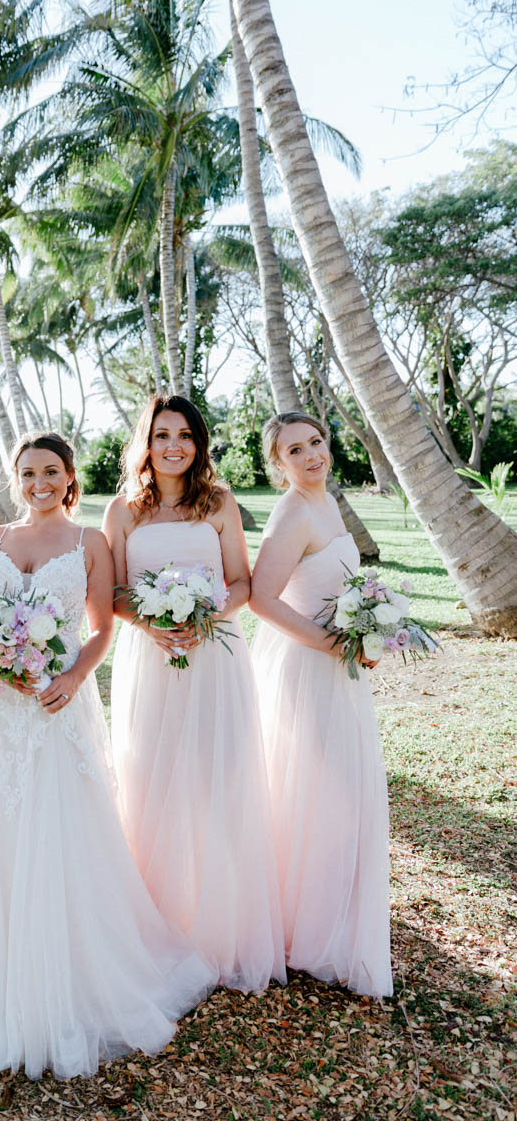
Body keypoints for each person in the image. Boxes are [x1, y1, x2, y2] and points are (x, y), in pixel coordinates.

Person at [0, 432, 213, 1079]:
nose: (40, 482)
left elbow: (104, 623)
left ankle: (76, 972)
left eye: (51, 471)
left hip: (57, 703)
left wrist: (72, 677)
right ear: (15, 477)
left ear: (71, 478)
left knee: (61, 829)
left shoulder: (89, 544)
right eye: (28, 473)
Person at [104, 395, 285, 991]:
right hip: (150, 658)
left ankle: (221, 923)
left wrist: (206, 614)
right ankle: (159, 922)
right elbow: (116, 593)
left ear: (198, 443)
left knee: (217, 777)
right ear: (146, 443)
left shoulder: (220, 502)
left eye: (184, 435)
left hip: (215, 657)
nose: (174, 445)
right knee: (151, 774)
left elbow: (242, 582)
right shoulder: (123, 511)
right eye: (162, 435)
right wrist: (155, 624)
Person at [249, 411, 392, 998]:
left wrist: (373, 629)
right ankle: (300, 926)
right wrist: (331, 640)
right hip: (308, 667)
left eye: (315, 443)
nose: (311, 455)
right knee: (312, 788)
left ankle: (329, 911)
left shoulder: (329, 503)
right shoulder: (292, 511)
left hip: (342, 668)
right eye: (294, 450)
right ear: (277, 465)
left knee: (338, 792)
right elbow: (260, 598)